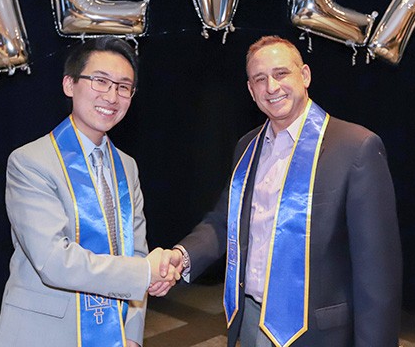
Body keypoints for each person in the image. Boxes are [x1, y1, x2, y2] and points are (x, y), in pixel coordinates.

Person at [167, 35, 402, 346]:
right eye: (260, 79)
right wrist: (182, 256)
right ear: (251, 91)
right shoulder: (246, 147)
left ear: (304, 75)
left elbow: (377, 271)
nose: (272, 87)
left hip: (317, 332)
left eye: (281, 74)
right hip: (250, 318)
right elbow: (225, 221)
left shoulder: (355, 148)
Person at [0, 37, 180, 347]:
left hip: (114, 333)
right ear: (69, 84)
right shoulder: (30, 162)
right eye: (100, 81)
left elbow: (136, 253)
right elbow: (54, 261)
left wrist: (132, 334)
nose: (112, 96)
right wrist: (145, 272)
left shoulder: (127, 167)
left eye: (123, 87)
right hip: (43, 333)